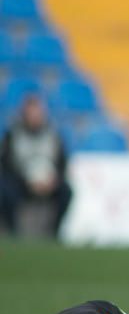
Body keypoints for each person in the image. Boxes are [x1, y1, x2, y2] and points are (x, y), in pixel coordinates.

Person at [0, 94, 73, 238]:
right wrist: (26, 181)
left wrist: (53, 181)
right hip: (21, 183)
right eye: (31, 112)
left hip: (48, 183)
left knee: (66, 191)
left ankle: (54, 233)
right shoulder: (13, 135)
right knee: (5, 192)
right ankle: (14, 233)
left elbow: (62, 163)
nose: (35, 116)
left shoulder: (53, 135)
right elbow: (5, 165)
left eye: (37, 112)